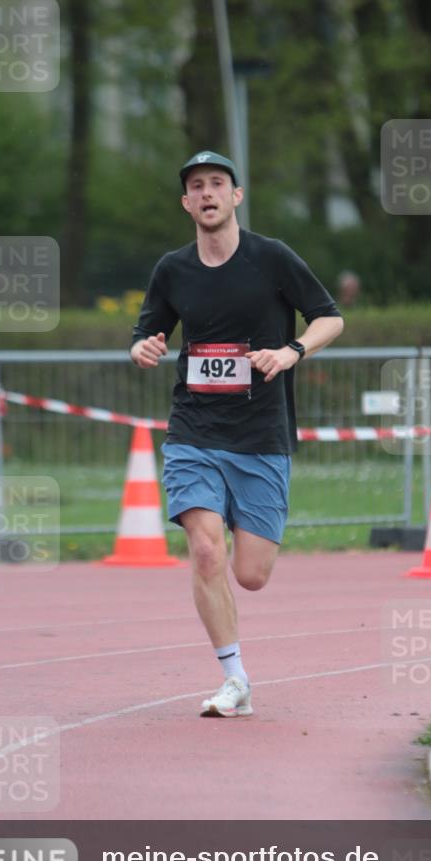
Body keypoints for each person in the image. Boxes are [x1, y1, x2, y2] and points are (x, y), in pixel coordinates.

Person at [130, 150, 343, 718]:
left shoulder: (271, 258)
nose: (207, 194)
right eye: (196, 186)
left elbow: (330, 317)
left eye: (217, 184)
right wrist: (143, 347)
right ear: (185, 202)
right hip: (193, 430)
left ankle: (237, 661)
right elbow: (146, 332)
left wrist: (292, 350)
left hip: (260, 434)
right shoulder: (172, 269)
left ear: (235, 196)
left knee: (250, 574)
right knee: (205, 551)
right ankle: (235, 679)